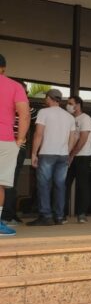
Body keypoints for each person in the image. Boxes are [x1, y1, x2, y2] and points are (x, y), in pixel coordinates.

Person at [27, 89, 76, 226]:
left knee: (44, 185)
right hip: (63, 155)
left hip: (47, 153)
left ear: (49, 98)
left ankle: (45, 216)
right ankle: (59, 217)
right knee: (60, 186)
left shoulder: (44, 112)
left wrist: (33, 153)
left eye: (45, 97)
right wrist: (68, 152)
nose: (45, 99)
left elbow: (38, 134)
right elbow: (72, 138)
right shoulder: (69, 117)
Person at [0, 55, 31, 236]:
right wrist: (19, 140)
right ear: (3, 68)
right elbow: (25, 115)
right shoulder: (14, 86)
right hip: (4, 139)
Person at [65, 96, 91, 223]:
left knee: (82, 185)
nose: (68, 106)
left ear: (78, 105)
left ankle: (81, 214)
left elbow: (83, 139)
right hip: (68, 155)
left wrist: (72, 154)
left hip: (82, 157)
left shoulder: (85, 118)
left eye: (70, 103)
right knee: (64, 184)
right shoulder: (69, 119)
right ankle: (62, 214)